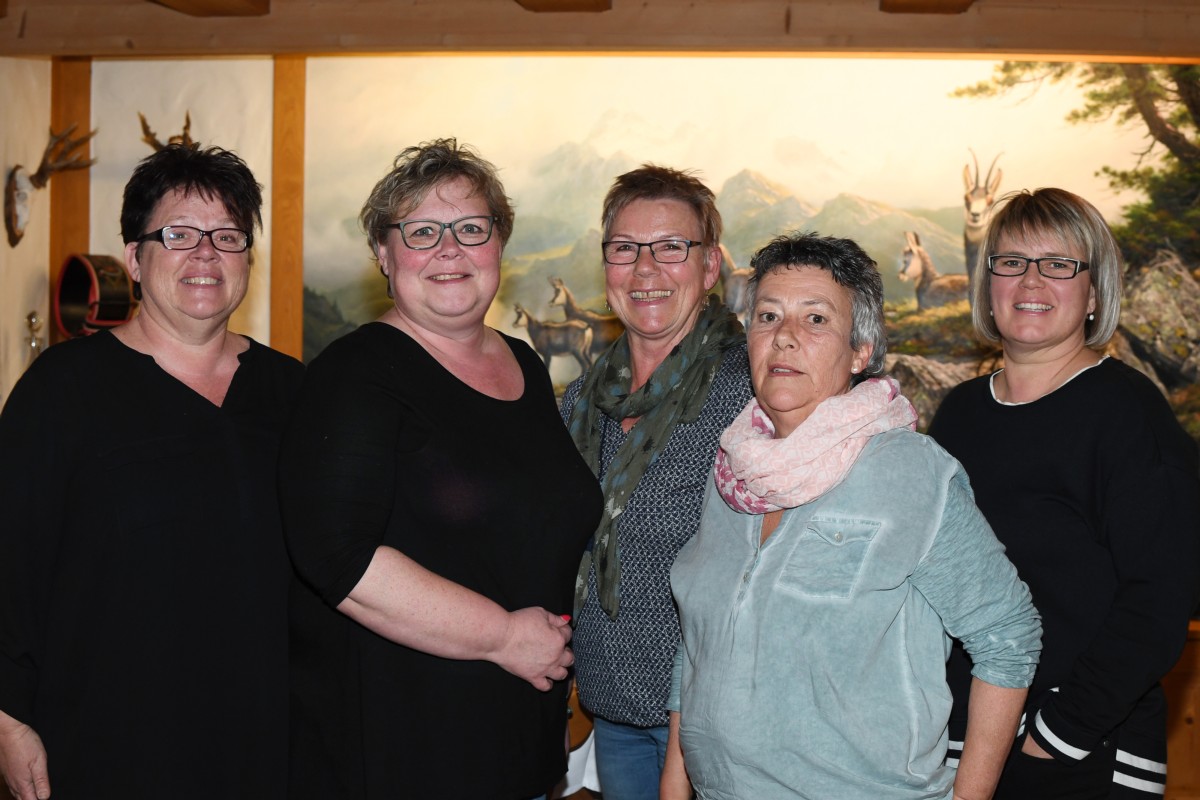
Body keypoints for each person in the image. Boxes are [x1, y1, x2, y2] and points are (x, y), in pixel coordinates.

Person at [662, 231, 1043, 800]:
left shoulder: (910, 472)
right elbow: (701, 644)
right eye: (768, 316)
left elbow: (1008, 636)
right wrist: (674, 789)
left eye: (816, 319)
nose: (785, 336)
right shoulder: (733, 474)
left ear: (861, 351)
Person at [279, 138, 602, 799]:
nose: (449, 249)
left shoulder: (524, 364)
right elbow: (336, 557)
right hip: (406, 754)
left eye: (471, 229)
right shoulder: (354, 376)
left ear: (498, 243)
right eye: (422, 231)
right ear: (384, 253)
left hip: (518, 744)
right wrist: (503, 636)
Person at [0, 144, 302, 799]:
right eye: (179, 234)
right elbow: (9, 562)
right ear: (135, 259)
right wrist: (8, 719)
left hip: (268, 744)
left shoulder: (294, 393)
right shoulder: (61, 390)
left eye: (227, 236)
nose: (206, 254)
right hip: (106, 744)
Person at [928, 188, 1200, 799]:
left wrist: (1056, 736)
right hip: (955, 745)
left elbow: (1160, 598)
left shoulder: (1128, 415)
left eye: (1058, 263)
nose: (1031, 280)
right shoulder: (959, 415)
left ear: (1095, 293)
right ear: (988, 284)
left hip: (1079, 755)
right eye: (1012, 262)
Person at [561, 165, 752, 800]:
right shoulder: (581, 401)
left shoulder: (751, 397)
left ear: (710, 265)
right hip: (612, 711)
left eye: (671, 246)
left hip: (716, 726)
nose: (645, 269)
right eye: (625, 248)